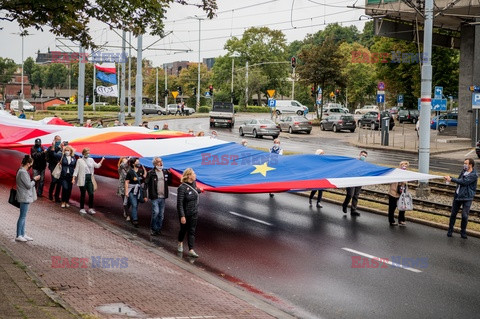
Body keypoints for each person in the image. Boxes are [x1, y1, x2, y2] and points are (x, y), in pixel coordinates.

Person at [445, 158, 478, 239]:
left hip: (467, 197)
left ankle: (463, 232)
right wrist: (450, 177)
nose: (464, 165)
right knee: (453, 214)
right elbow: (459, 180)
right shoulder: (463, 171)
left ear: (470, 165)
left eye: (466, 163)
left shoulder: (474, 175)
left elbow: (464, 182)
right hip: (458, 195)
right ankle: (450, 230)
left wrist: (452, 179)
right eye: (464, 163)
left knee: (464, 215)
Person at [177, 168, 202, 258]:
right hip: (185, 213)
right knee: (183, 230)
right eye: (193, 174)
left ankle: (191, 249)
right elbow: (179, 203)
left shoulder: (194, 184)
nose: (195, 175)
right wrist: (182, 216)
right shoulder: (182, 188)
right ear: (188, 176)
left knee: (192, 231)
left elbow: (195, 190)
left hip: (194, 213)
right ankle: (180, 242)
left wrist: (200, 190)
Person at [15, 155, 40, 242]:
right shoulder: (23, 172)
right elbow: (28, 185)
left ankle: (23, 233)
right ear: (28, 164)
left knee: (23, 216)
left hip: (24, 196)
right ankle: (19, 234)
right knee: (22, 216)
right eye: (31, 164)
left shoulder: (21, 171)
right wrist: (34, 180)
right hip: (24, 196)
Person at [72, 148, 105, 215]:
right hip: (83, 179)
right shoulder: (79, 160)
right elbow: (76, 170)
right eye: (87, 152)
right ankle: (82, 208)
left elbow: (97, 166)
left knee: (91, 193)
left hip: (90, 178)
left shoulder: (91, 160)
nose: (88, 154)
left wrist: (102, 160)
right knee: (83, 194)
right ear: (83, 153)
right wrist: (73, 178)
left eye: (89, 152)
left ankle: (90, 208)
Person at [145, 157, 171, 235]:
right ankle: (153, 228)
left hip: (162, 197)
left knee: (161, 214)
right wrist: (145, 195)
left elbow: (169, 182)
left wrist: (170, 175)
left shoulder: (165, 172)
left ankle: (158, 229)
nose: (161, 163)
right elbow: (146, 183)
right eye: (159, 162)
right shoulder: (151, 173)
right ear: (155, 163)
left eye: (161, 161)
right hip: (155, 196)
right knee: (156, 212)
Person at [342, 150, 368, 217]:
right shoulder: (353, 161)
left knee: (356, 196)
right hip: (351, 181)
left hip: (359, 181)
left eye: (365, 156)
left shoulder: (365, 164)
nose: (363, 157)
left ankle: (353, 210)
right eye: (362, 155)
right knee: (350, 194)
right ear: (359, 154)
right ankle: (344, 205)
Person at [124, 157, 147, 227]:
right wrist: (126, 192)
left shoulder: (140, 171)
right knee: (134, 204)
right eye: (137, 162)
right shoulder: (130, 172)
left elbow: (143, 178)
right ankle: (135, 220)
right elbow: (126, 182)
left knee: (136, 204)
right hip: (132, 191)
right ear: (133, 164)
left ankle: (128, 210)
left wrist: (144, 170)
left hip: (138, 191)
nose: (138, 163)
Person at [388, 161, 409, 226]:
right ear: (400, 165)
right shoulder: (395, 172)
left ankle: (401, 220)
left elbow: (405, 182)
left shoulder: (406, 174)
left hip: (402, 193)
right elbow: (390, 181)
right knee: (392, 207)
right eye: (402, 165)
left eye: (405, 165)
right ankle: (391, 221)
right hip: (393, 192)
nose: (404, 166)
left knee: (402, 207)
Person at [47, 135, 63, 202]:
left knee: (59, 182)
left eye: (60, 140)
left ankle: (57, 197)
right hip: (53, 166)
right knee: (54, 180)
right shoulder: (50, 148)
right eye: (57, 140)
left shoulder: (61, 148)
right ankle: (50, 194)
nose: (59, 141)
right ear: (54, 140)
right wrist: (54, 146)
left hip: (59, 167)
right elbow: (52, 154)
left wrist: (61, 148)